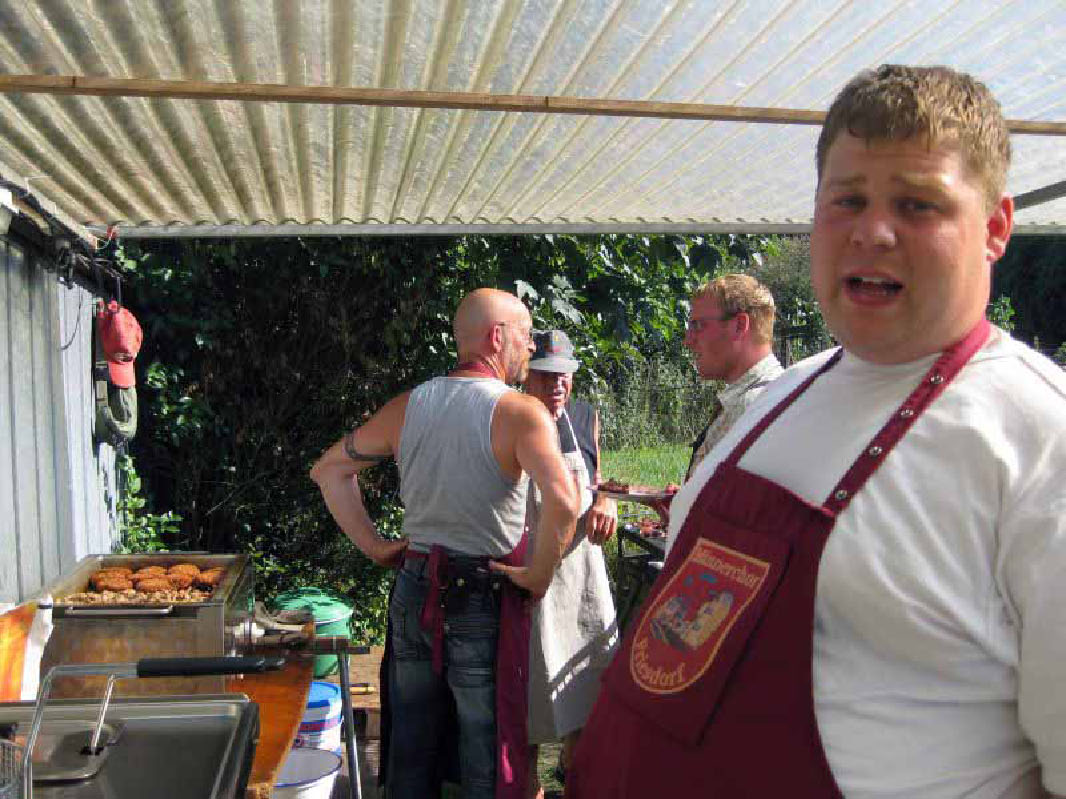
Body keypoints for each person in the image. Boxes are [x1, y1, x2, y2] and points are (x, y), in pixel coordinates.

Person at [568, 64, 1066, 798]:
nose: (872, 231)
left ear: (994, 228)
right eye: (848, 200)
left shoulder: (1039, 442)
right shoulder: (783, 395)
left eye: (918, 204)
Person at [310, 288, 579, 799]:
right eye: (525, 335)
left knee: (411, 742)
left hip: (414, 587)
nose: (530, 347)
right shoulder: (521, 412)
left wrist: (375, 546)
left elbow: (329, 470)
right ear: (496, 337)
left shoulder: (409, 406)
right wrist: (539, 575)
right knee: (485, 746)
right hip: (482, 594)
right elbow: (564, 502)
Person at [521, 330, 618, 799]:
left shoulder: (584, 417)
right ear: (527, 376)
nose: (557, 383)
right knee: (529, 697)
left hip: (582, 575)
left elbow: (596, 479)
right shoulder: (512, 417)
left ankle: (573, 775)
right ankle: (528, 788)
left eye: (564, 374)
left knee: (588, 685)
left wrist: (605, 501)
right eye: (545, 375)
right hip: (532, 572)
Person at [683, 273, 782, 481]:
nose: (688, 340)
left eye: (698, 325)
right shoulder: (773, 396)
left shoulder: (755, 408)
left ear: (739, 325)